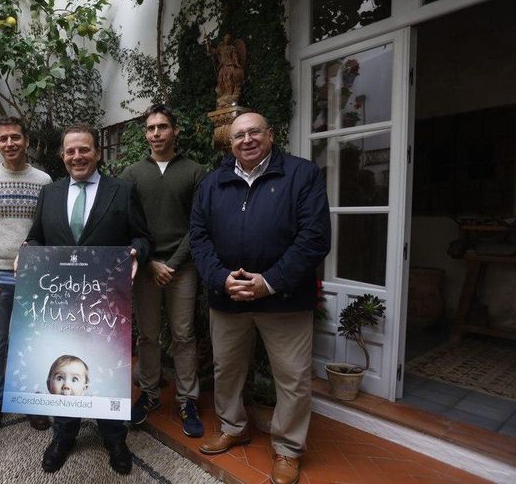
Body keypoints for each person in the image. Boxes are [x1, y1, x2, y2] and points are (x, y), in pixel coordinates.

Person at [189, 112, 331, 484]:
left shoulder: (302, 175)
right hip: (229, 298)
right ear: (229, 143)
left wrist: (269, 282)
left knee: (293, 378)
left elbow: (314, 238)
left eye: (255, 133)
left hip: (284, 299)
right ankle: (234, 426)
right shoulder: (212, 183)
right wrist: (221, 279)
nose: (247, 140)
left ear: (270, 135)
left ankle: (287, 449)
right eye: (239, 136)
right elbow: (199, 238)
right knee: (228, 370)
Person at [26, 124, 152, 476]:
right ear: (62, 156)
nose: (77, 156)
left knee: (107, 368)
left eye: (84, 150)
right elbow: (36, 238)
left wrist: (135, 252)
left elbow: (143, 237)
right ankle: (63, 435)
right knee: (65, 367)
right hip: (61, 301)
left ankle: (115, 438)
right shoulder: (49, 194)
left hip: (107, 302)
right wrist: (28, 250)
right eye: (70, 151)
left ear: (97, 153)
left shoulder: (123, 191)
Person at [120, 104, 206, 438]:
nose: (156, 133)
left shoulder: (195, 171)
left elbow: (198, 225)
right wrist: (152, 261)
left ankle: (187, 401)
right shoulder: (131, 174)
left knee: (183, 336)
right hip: (145, 267)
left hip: (182, 268)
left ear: (175, 130)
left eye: (163, 127)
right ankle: (151, 395)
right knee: (149, 336)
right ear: (146, 134)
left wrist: (171, 264)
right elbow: (129, 223)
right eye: (151, 128)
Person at [0, 116, 52, 439]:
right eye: (3, 139)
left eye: (15, 137)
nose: (10, 143)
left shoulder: (43, 181)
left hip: (32, 274)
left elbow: (46, 227)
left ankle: (32, 400)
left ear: (26, 140)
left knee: (31, 341)